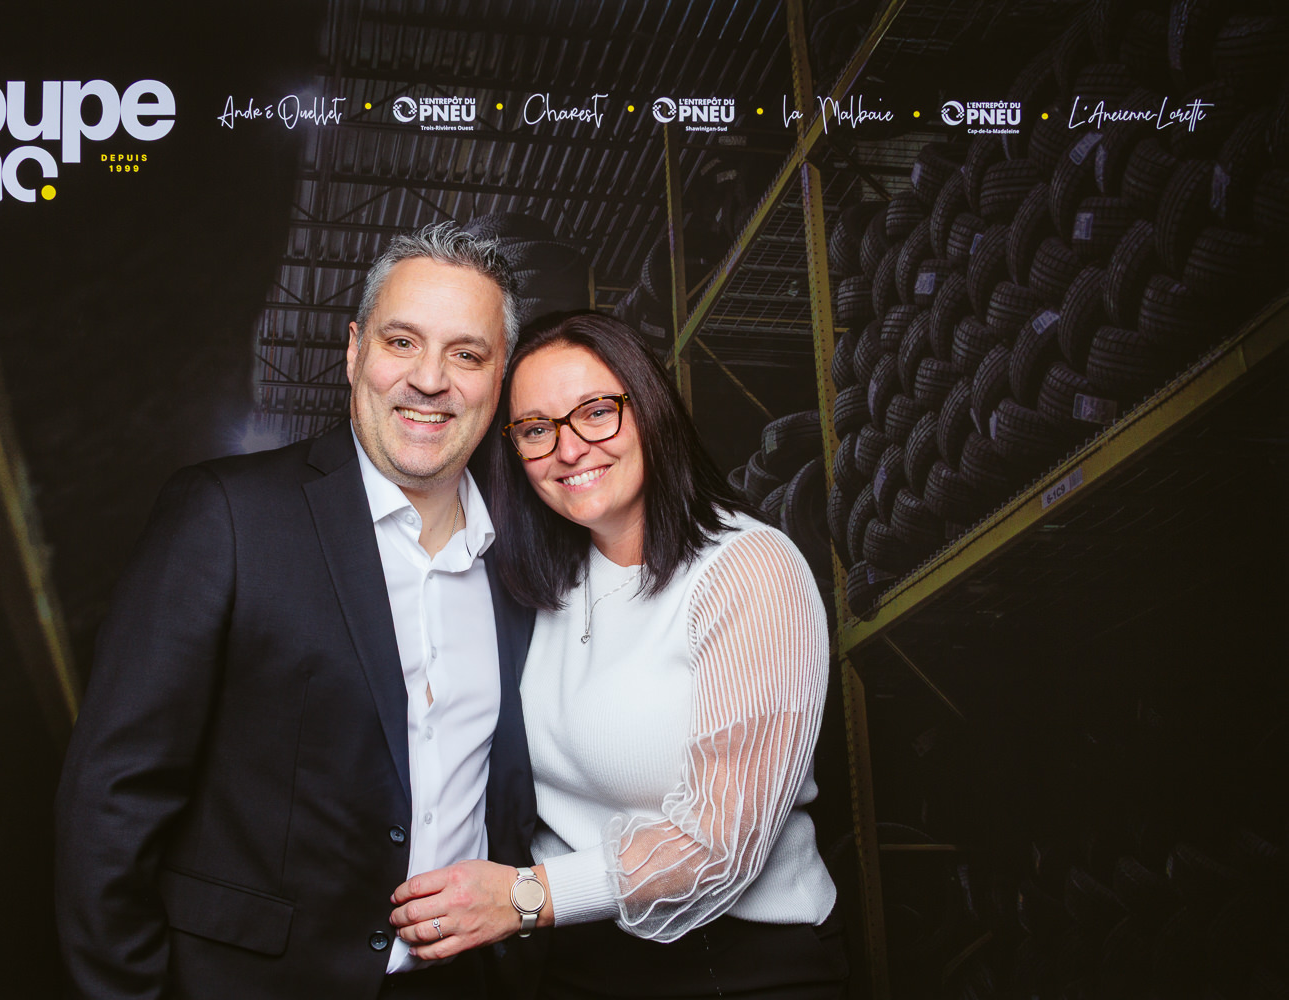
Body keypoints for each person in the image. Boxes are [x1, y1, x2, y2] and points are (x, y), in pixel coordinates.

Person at [54, 222, 539, 1000]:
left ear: (500, 376)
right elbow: (112, 798)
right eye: (402, 342)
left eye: (466, 354)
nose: (429, 379)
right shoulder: (227, 515)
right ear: (354, 351)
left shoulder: (521, 564)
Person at [389, 313, 847, 999]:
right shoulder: (542, 584)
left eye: (597, 412)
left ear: (649, 409)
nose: (570, 449)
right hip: (572, 960)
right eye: (536, 429)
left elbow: (721, 845)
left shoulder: (749, 570)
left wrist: (522, 896)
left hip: (737, 966)